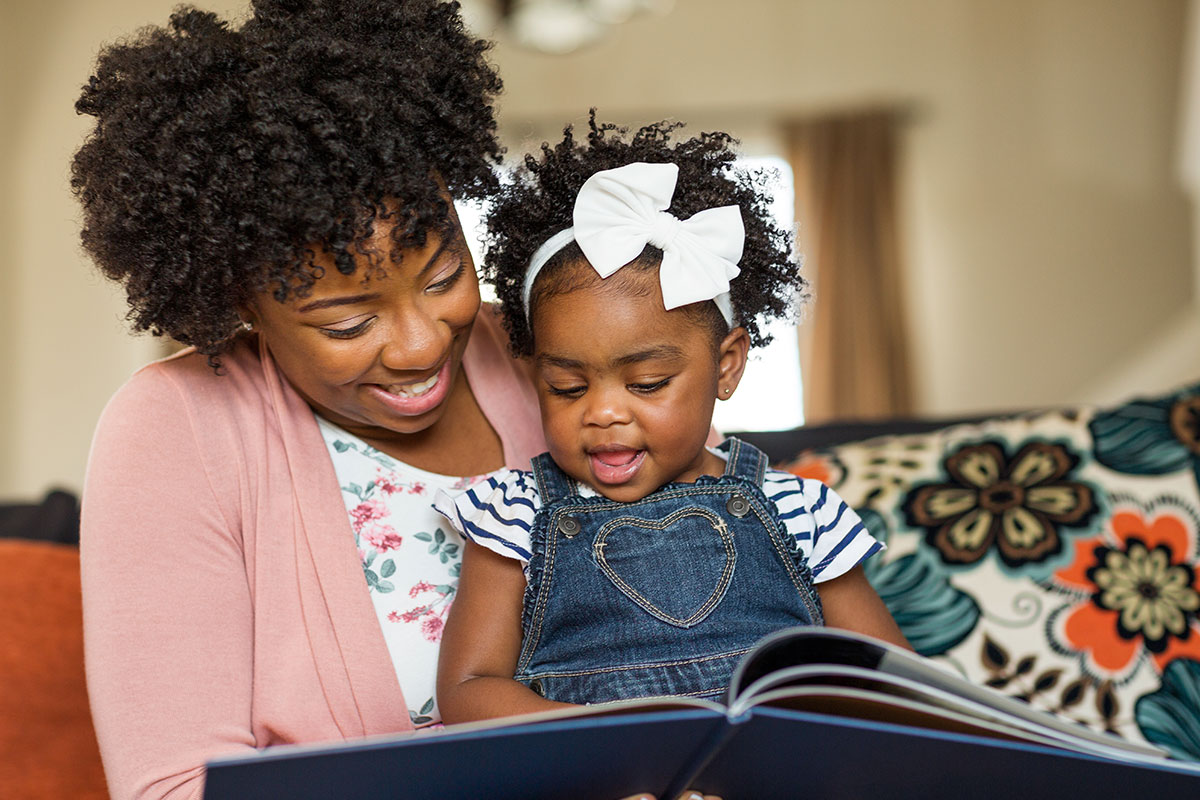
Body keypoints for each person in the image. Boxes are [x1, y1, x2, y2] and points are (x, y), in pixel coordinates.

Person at [70, 2, 581, 798]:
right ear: (242, 299)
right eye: (347, 321)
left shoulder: (538, 354)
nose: (420, 344)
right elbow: (171, 786)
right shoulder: (175, 429)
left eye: (443, 276)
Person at [434, 116, 910, 722]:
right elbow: (469, 688)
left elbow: (889, 685)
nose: (603, 411)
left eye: (648, 383)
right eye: (567, 386)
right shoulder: (514, 513)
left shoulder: (800, 510)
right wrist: (607, 747)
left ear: (727, 366)